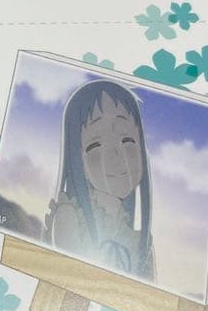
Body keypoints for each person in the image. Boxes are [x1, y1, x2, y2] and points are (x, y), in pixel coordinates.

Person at [44, 80, 155, 281]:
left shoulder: (142, 242)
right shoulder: (69, 217)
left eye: (127, 140)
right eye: (95, 145)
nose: (116, 155)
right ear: (78, 159)